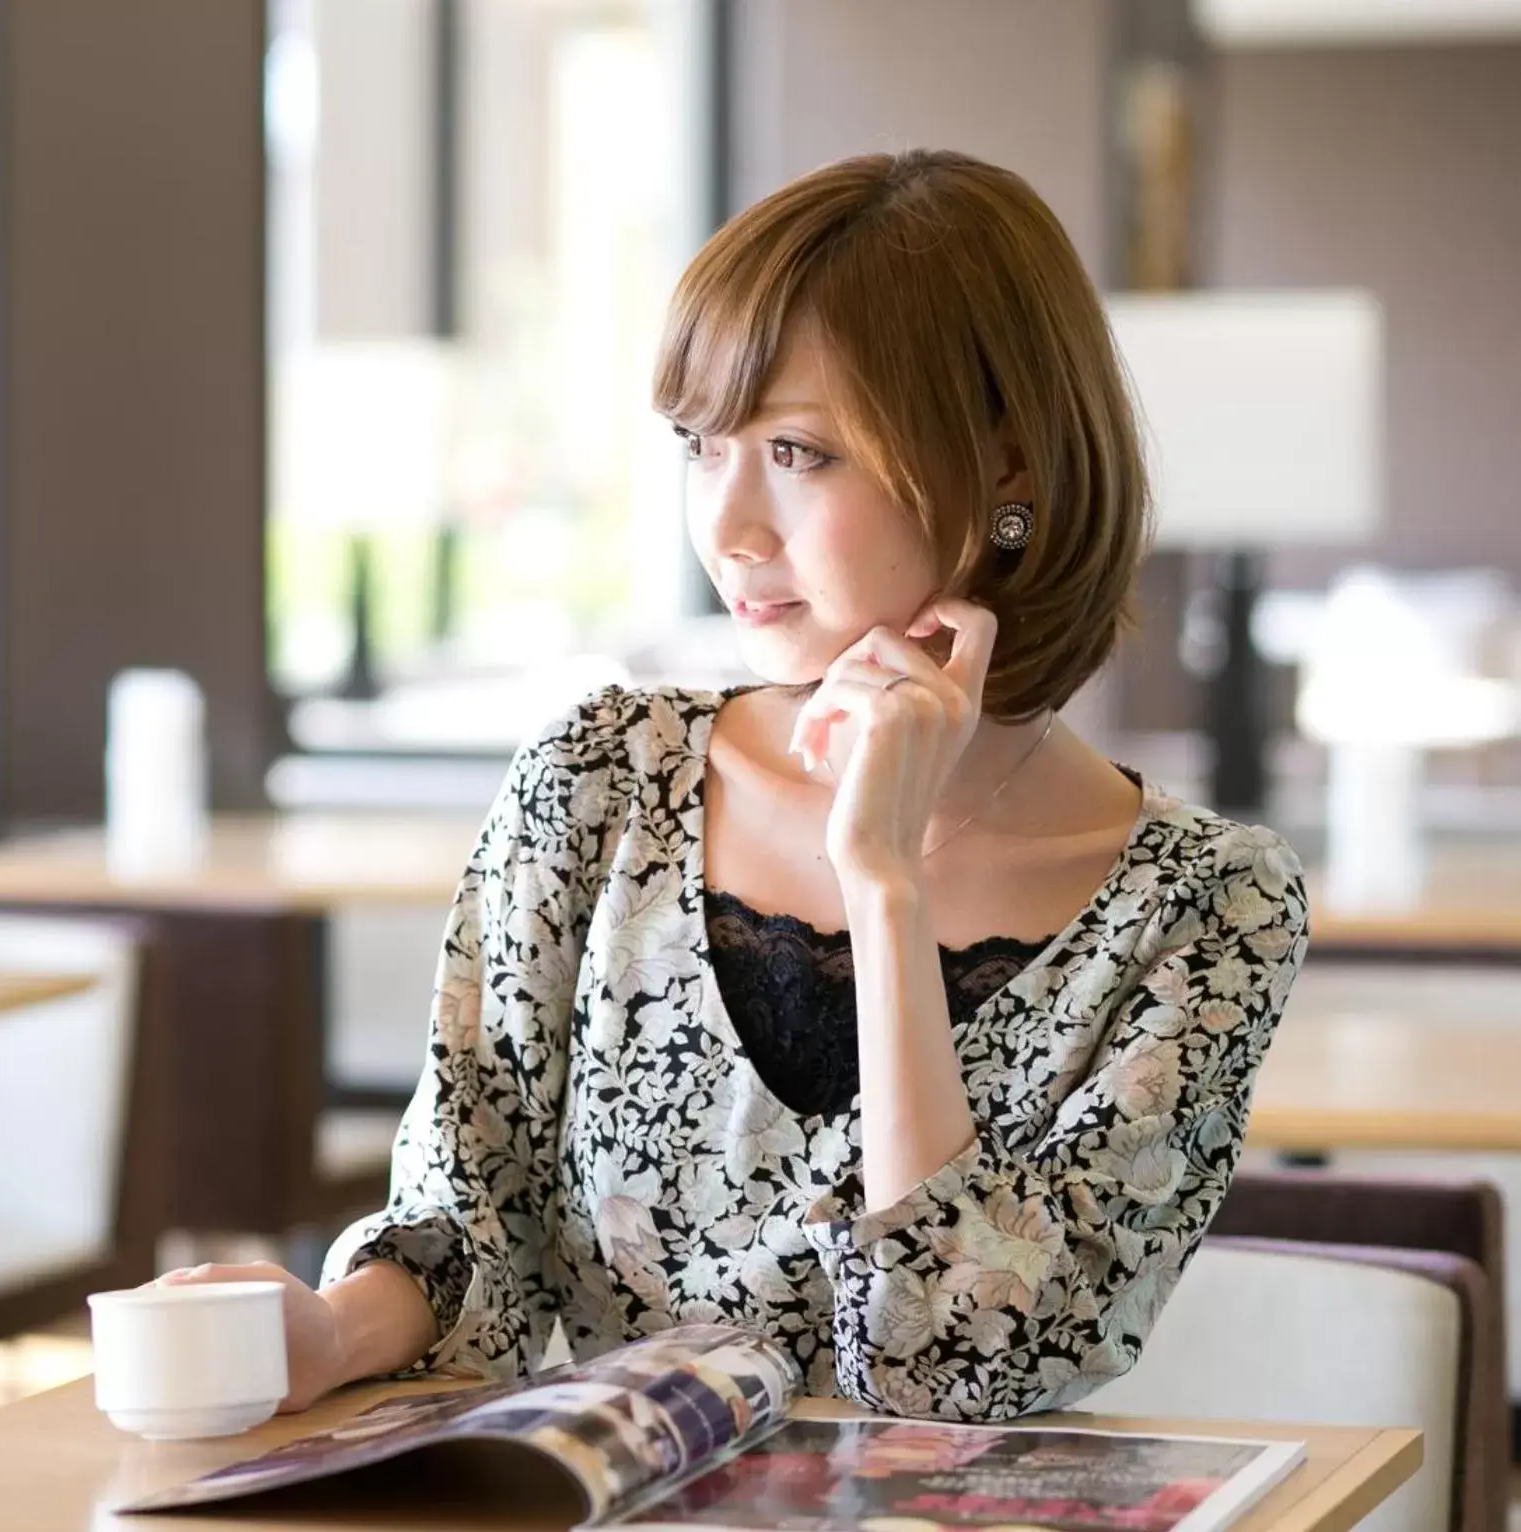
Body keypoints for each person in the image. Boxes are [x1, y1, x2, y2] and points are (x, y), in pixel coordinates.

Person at [159, 149, 1310, 1423]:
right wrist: (326, 1334)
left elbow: (961, 1375)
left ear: (1008, 474)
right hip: (604, 1530)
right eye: (706, 448)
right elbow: (472, 1216)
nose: (730, 527)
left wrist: (885, 884)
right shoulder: (603, 779)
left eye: (804, 454)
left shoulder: (1206, 909)